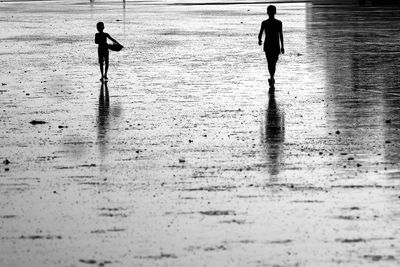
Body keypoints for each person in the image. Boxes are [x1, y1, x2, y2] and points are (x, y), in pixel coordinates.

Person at [258, 5, 284, 89]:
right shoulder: (278, 23)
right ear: (275, 12)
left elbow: (260, 33)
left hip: (268, 45)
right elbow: (281, 35)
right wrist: (282, 46)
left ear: (267, 12)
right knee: (273, 62)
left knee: (270, 62)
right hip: (275, 45)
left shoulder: (265, 22)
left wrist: (259, 40)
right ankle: (272, 77)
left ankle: (272, 77)